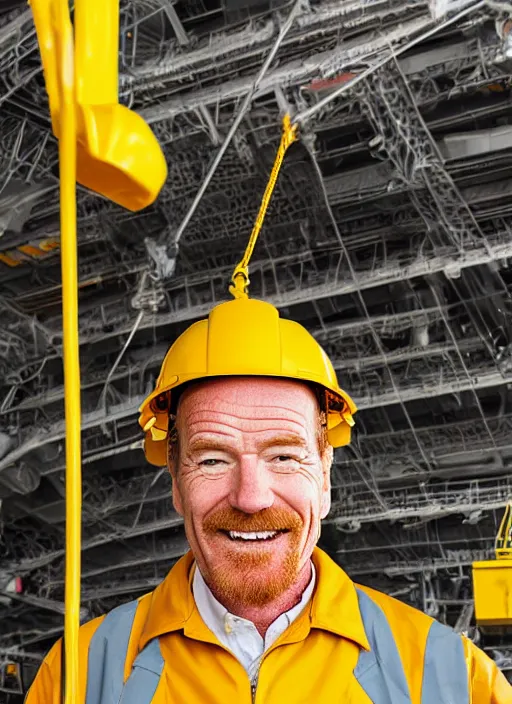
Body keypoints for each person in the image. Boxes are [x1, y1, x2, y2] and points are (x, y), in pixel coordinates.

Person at [26, 297, 511, 703]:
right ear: (175, 480)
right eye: (213, 460)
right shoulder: (78, 677)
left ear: (324, 477)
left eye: (283, 456)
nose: (251, 498)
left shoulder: (454, 678)